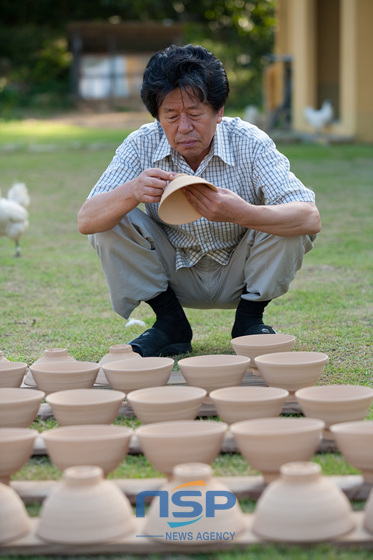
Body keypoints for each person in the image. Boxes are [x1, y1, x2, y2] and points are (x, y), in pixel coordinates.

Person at [77, 44, 321, 358]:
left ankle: (249, 321)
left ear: (218, 111)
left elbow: (309, 217)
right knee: (110, 217)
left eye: (194, 114)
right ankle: (170, 323)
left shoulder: (250, 142)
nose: (184, 128)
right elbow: (86, 220)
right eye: (171, 116)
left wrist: (243, 213)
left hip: (242, 272)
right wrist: (132, 191)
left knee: (289, 218)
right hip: (172, 274)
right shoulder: (141, 144)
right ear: (156, 117)